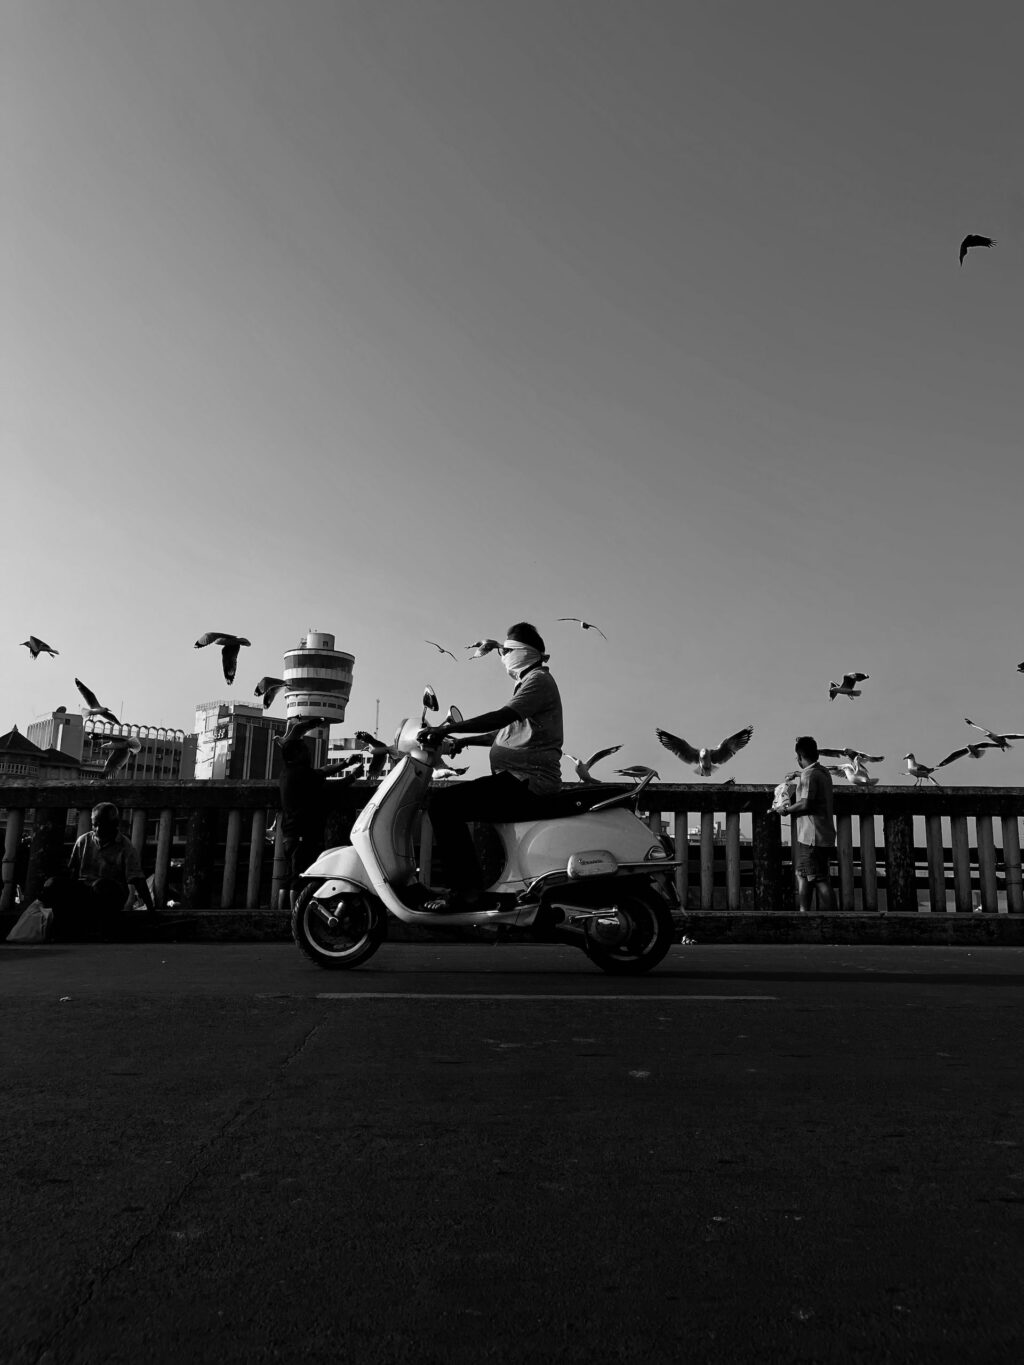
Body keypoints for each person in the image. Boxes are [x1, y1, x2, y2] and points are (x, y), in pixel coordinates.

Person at [418, 621, 563, 911]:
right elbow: (505, 733)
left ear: (524, 652)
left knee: (443, 805)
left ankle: (465, 892)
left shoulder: (537, 681)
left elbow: (501, 717)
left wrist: (448, 729)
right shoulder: (528, 682)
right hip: (517, 779)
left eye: (507, 649)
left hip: (528, 782)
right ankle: (488, 890)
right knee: (456, 805)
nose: (502, 655)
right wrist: (464, 741)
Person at [42, 802, 157, 938]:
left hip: (110, 892)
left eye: (100, 825)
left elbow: (137, 879)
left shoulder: (125, 847)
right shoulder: (83, 841)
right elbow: (72, 872)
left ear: (113, 825)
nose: (96, 829)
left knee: (101, 887)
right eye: (94, 824)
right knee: (53, 884)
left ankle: (103, 930)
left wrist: (151, 909)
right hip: (86, 889)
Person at [277, 735, 358, 908]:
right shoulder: (302, 774)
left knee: (288, 877)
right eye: (305, 751)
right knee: (300, 877)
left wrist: (345, 763)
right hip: (303, 833)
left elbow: (322, 772)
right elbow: (330, 788)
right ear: (298, 754)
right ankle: (295, 915)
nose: (309, 753)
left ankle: (279, 914)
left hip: (288, 833)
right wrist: (353, 776)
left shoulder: (287, 772)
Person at [778, 736, 836, 912]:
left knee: (813, 878)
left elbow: (806, 803)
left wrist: (786, 809)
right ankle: (824, 915)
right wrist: (799, 774)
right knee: (812, 875)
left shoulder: (810, 775)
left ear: (799, 757)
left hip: (812, 837)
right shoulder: (823, 772)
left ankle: (808, 914)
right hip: (824, 833)